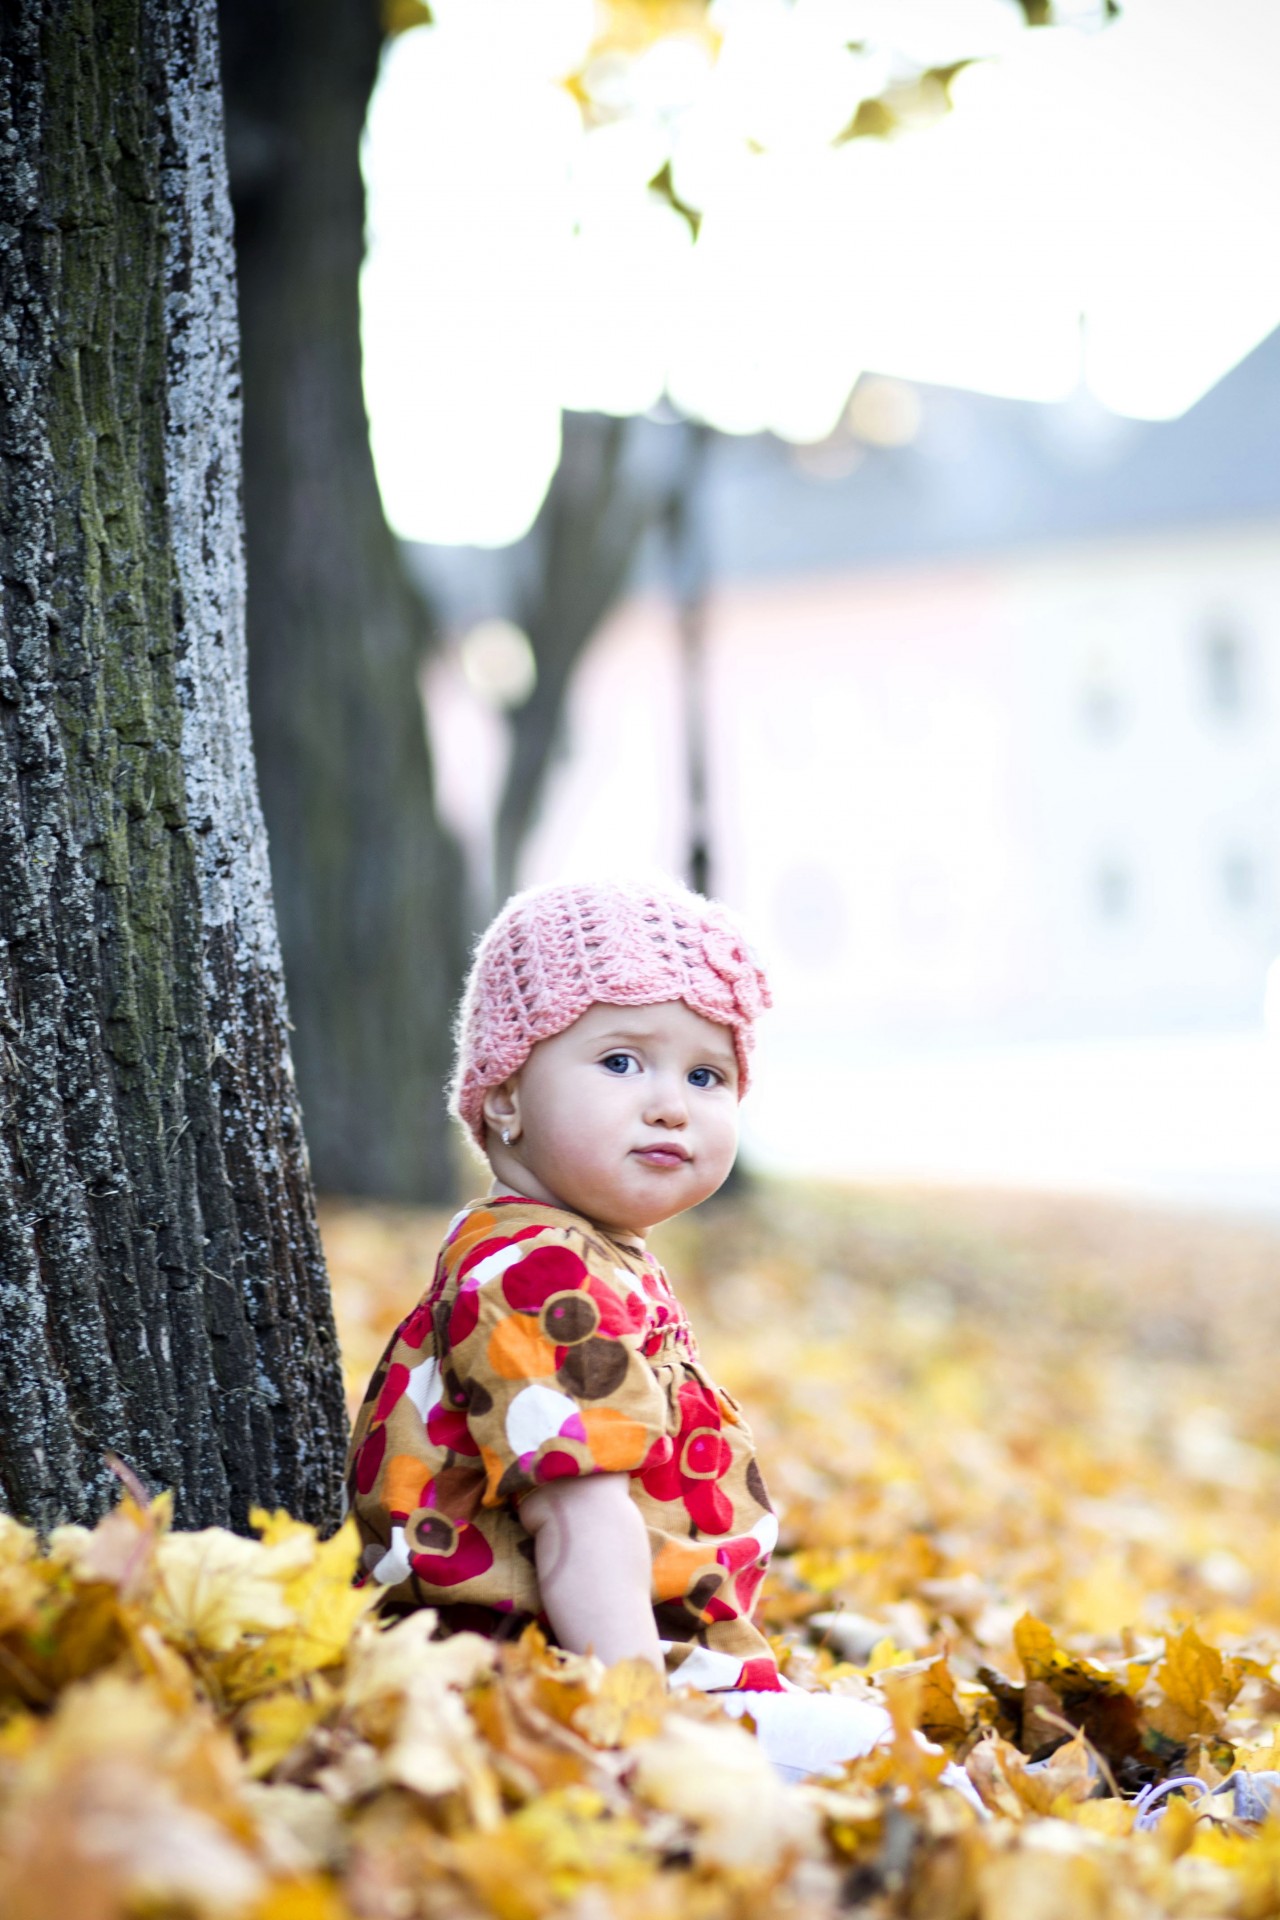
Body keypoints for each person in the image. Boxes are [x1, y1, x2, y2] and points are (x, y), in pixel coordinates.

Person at [346, 876, 981, 1801]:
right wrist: (639, 1728)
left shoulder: (570, 1254)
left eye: (704, 1075)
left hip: (583, 1675)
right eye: (619, 1062)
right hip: (558, 1695)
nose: (671, 1104)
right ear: (507, 1097)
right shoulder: (539, 1277)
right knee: (902, 1775)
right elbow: (577, 1515)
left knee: (876, 1765)